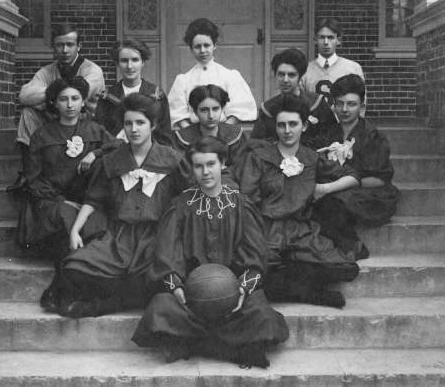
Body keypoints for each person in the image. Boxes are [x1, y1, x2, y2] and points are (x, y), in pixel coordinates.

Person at [132, 137, 289, 369]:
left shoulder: (240, 204)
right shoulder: (180, 206)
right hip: (191, 297)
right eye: (198, 166)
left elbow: (256, 256)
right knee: (160, 308)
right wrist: (177, 289)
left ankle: (196, 344)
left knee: (262, 315)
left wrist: (243, 290)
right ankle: (229, 347)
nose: (205, 172)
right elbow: (168, 254)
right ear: (192, 169)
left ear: (222, 164)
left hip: (232, 294)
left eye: (211, 164)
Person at [46, 93, 184, 318]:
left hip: (157, 238)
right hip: (119, 238)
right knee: (74, 268)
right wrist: (75, 230)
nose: (134, 129)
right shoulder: (112, 161)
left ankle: (107, 304)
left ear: (154, 125)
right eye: (128, 123)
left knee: (157, 278)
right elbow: (93, 200)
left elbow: (187, 198)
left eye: (140, 123)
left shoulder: (172, 159)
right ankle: (121, 299)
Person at [235, 94, 360, 308]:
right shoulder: (258, 157)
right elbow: (247, 199)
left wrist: (325, 188)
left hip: (301, 231)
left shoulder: (311, 158)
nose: (287, 130)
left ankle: (291, 281)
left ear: (303, 126)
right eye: (281, 125)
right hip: (266, 228)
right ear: (275, 128)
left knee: (346, 268)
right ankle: (310, 294)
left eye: (293, 124)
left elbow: (353, 177)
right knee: (254, 269)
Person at [20, 76, 114, 251]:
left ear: (83, 102)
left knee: (96, 221)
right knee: (65, 217)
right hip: (52, 200)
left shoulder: (94, 129)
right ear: (54, 103)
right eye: (63, 99)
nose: (70, 105)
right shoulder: (41, 136)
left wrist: (95, 153)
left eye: (75, 98)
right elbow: (34, 178)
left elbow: (118, 147)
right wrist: (61, 200)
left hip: (87, 200)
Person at [9, 23, 105, 192]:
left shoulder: (92, 70)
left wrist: (53, 94)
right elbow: (24, 95)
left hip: (83, 122)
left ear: (79, 46)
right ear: (54, 47)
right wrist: (52, 92)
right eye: (60, 45)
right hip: (57, 119)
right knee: (28, 114)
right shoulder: (48, 71)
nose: (65, 50)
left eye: (70, 45)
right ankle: (27, 172)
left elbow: (80, 93)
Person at [312, 74, 399, 260]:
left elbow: (379, 179)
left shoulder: (373, 136)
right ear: (333, 105)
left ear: (362, 106)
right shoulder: (328, 134)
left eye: (351, 104)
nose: (344, 109)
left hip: (372, 194)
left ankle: (351, 245)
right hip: (338, 192)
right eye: (339, 103)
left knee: (330, 202)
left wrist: (338, 185)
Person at [168, 18, 257, 130]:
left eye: (207, 45)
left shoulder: (229, 76)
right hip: (192, 134)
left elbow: (239, 111)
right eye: (197, 47)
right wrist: (193, 135)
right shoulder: (183, 80)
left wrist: (221, 131)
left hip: (224, 132)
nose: (202, 50)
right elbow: (177, 114)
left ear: (214, 45)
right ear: (191, 49)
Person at [251, 48, 336, 147]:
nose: (285, 80)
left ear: (300, 77)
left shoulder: (316, 104)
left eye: (291, 75)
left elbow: (331, 136)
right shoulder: (268, 108)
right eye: (281, 74)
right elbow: (256, 143)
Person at [95, 39, 173, 146]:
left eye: (135, 60)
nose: (129, 66)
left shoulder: (156, 95)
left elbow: (165, 136)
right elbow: (100, 134)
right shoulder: (107, 97)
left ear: (143, 62)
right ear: (117, 63)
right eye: (124, 60)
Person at [174, 84, 247, 168]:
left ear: (222, 109)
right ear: (195, 111)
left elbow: (240, 171)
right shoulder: (182, 138)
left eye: (215, 109)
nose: (211, 116)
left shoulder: (235, 136)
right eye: (204, 110)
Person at [300, 18, 364, 107]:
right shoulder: (304, 70)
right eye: (322, 37)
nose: (326, 42)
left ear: (338, 40)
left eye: (330, 37)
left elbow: (360, 105)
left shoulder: (352, 68)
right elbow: (300, 104)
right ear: (315, 39)